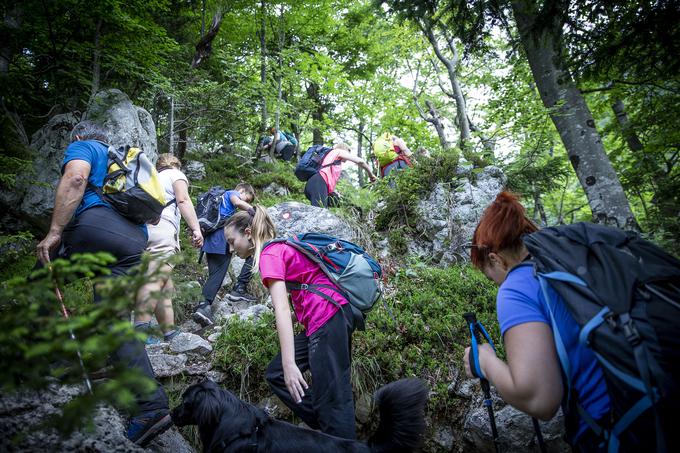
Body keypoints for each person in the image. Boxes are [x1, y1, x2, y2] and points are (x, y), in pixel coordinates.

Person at [35, 120, 172, 446]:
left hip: (94, 228)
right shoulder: (119, 161)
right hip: (133, 242)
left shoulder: (84, 146)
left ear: (79, 135)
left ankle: (36, 363)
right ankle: (150, 405)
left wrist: (55, 231)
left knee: (39, 280)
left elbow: (76, 177)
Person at [463, 191, 610, 452]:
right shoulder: (566, 262)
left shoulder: (516, 286)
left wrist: (485, 361)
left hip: (612, 428)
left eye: (490, 276)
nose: (496, 284)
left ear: (496, 259)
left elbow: (540, 399)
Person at [224, 206, 358, 439]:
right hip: (327, 319)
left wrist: (290, 364)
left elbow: (282, 310)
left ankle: (336, 430)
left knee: (334, 399)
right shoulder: (279, 250)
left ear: (247, 233)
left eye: (231, 241)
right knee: (276, 373)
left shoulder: (269, 254)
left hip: (326, 318)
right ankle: (322, 417)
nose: (230, 248)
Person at [134, 154, 203, 343]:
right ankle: (139, 332)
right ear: (176, 165)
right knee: (155, 281)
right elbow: (183, 200)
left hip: (141, 232)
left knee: (163, 283)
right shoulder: (175, 174)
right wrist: (196, 228)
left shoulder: (151, 178)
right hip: (163, 231)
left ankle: (169, 332)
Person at [192, 183, 257, 327]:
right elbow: (238, 202)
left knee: (215, 273)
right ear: (241, 190)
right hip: (221, 238)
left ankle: (203, 305)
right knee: (218, 274)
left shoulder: (221, 199)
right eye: (247, 198)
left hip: (210, 239)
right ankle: (204, 306)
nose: (246, 202)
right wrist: (255, 211)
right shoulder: (231, 193)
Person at [304, 142, 376, 208]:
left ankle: (352, 209)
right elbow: (361, 161)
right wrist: (371, 175)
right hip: (318, 183)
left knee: (333, 202)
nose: (347, 157)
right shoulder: (338, 151)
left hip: (314, 184)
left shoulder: (332, 159)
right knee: (320, 212)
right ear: (345, 150)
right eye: (348, 152)